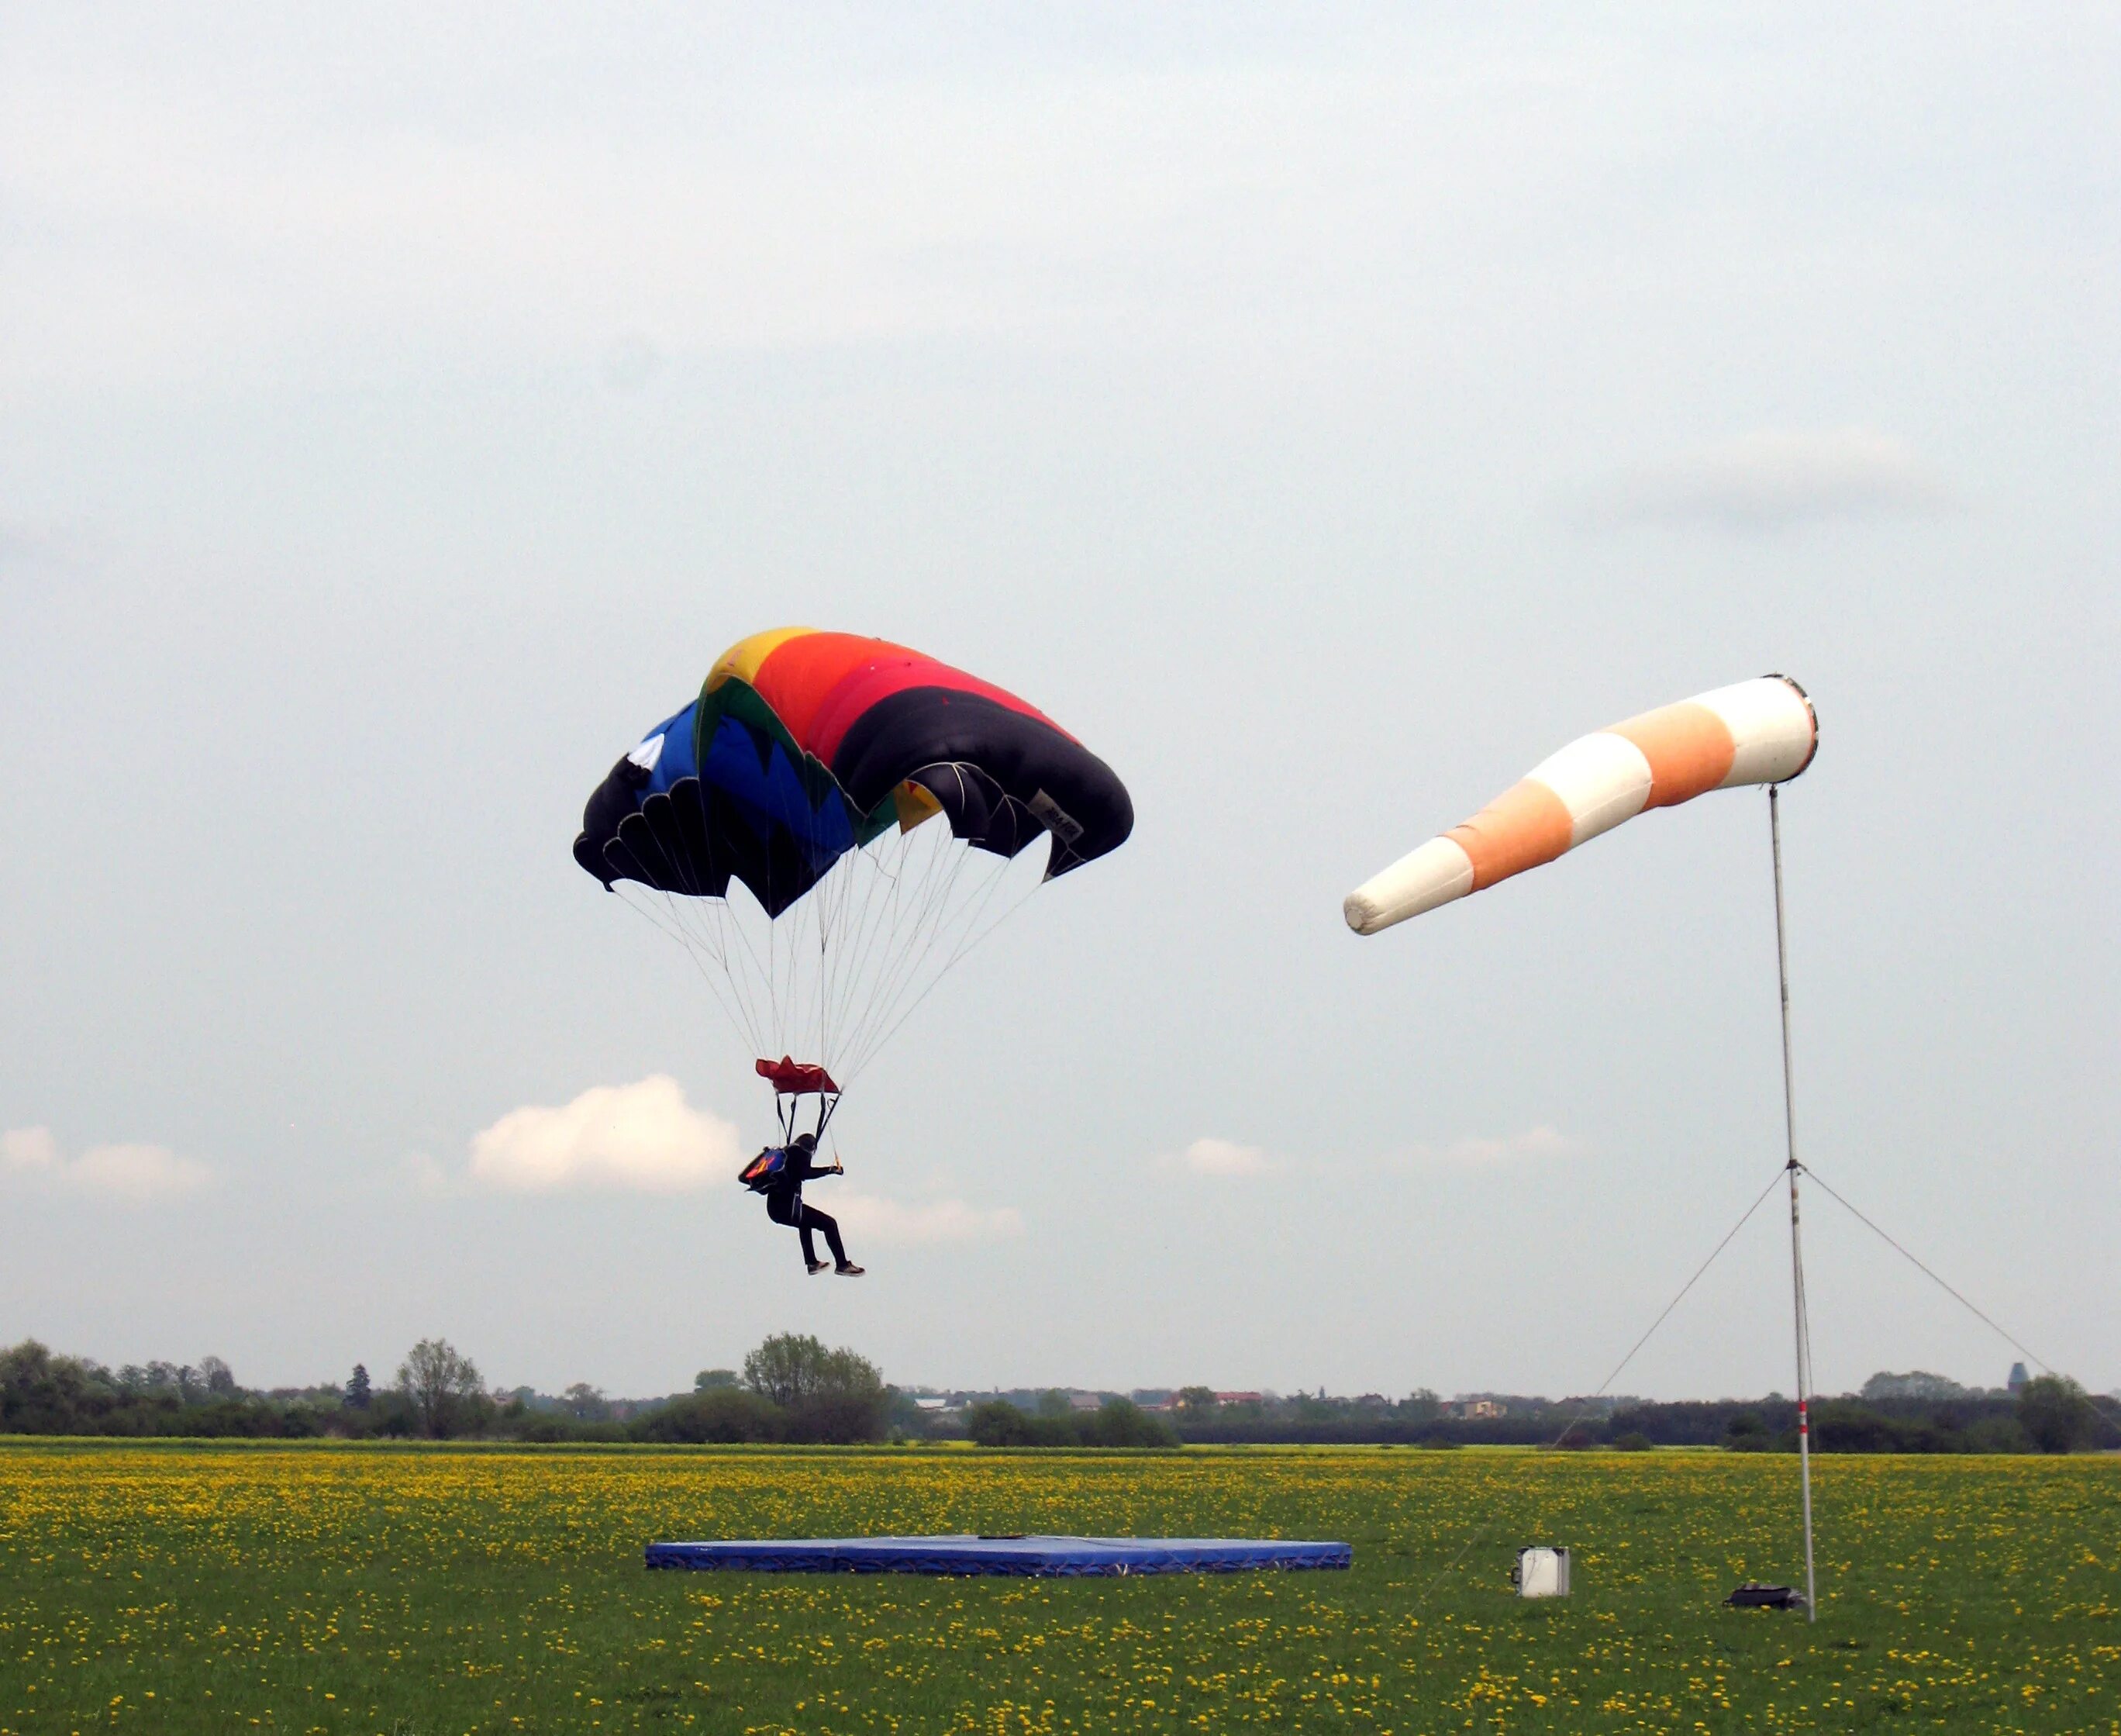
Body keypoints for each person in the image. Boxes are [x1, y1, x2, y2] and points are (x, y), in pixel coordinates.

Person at [762, 1134, 863, 1275]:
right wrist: (830, 1170)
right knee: (829, 1223)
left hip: (776, 1210)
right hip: (787, 1209)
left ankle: (812, 1263)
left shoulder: (787, 1153)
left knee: (805, 1223)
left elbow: (800, 1173)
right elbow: (806, 1173)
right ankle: (842, 1265)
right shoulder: (799, 1153)